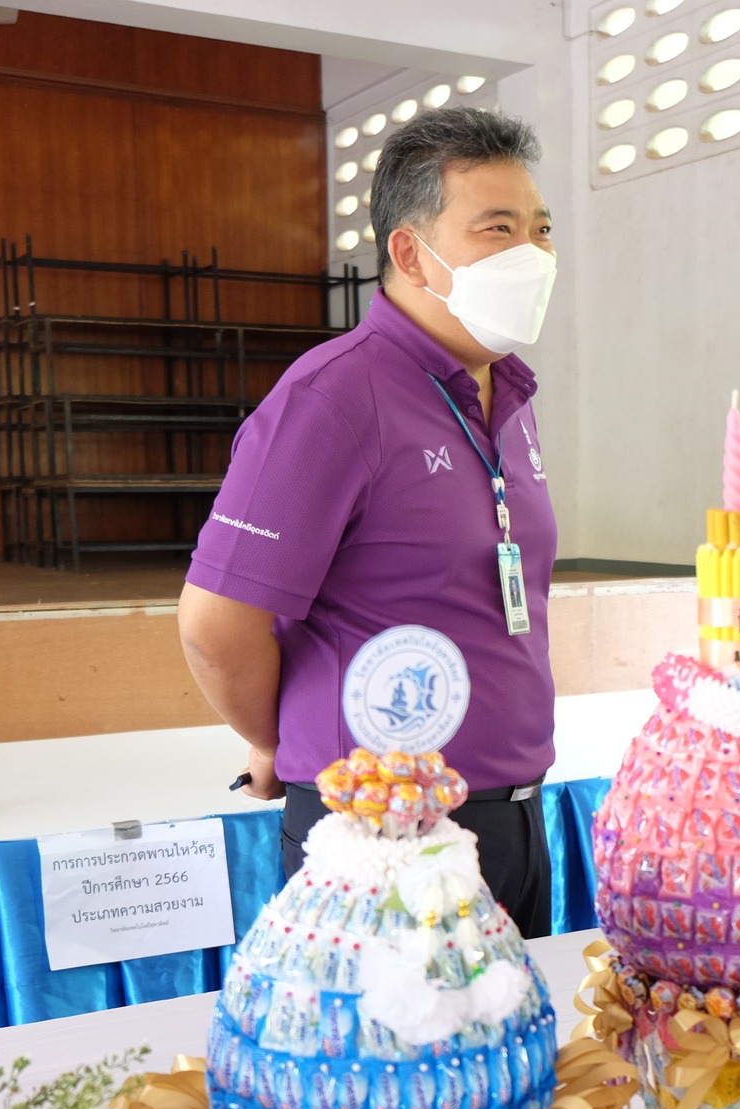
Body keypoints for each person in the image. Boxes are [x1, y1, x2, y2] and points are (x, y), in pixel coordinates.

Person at [177, 107, 559, 936]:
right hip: (382, 839)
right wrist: (275, 736)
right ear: (412, 254)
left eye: (541, 229)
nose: (531, 255)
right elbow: (215, 624)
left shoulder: (509, 394)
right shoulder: (334, 397)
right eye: (498, 230)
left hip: (516, 816)